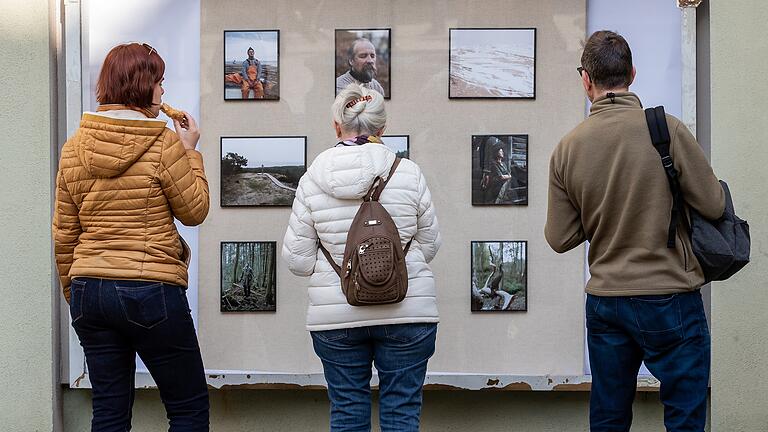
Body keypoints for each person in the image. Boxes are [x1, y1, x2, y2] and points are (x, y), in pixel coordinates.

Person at [545, 31, 724, 432]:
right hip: (670, 295)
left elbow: (559, 238)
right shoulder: (667, 130)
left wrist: (601, 211)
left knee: (609, 417)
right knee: (685, 415)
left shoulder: (568, 148)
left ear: (586, 80)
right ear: (632, 74)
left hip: (607, 300)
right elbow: (713, 205)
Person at [53, 43, 210, 431]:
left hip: (90, 289)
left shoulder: (73, 149)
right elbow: (195, 211)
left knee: (108, 411)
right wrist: (191, 151)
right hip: (150, 288)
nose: (163, 93)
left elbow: (64, 235)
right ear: (141, 86)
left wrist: (76, 293)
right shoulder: (164, 144)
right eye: (159, 83)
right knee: (187, 409)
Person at [282, 84, 441, 431]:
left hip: (336, 317)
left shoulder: (312, 180)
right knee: (402, 413)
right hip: (408, 314)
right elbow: (429, 245)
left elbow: (298, 261)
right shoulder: (409, 173)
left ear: (336, 127)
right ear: (382, 130)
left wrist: (341, 268)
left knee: (347, 411)